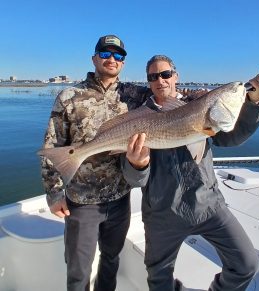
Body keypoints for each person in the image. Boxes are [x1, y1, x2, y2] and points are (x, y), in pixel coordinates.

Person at [40, 36, 200, 291]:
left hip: (119, 197)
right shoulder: (69, 95)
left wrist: (208, 99)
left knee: (111, 260)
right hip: (82, 200)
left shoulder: (135, 95)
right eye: (105, 54)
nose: (112, 59)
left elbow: (170, 94)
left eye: (118, 56)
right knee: (79, 270)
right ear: (94, 58)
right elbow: (53, 145)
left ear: (124, 63)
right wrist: (54, 193)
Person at [123, 55, 259, 291]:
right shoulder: (138, 118)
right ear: (148, 81)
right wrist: (137, 164)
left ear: (176, 76)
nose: (160, 81)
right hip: (162, 213)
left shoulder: (199, 105)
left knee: (247, 265)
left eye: (165, 74)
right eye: (153, 77)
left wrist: (253, 104)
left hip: (208, 205)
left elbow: (231, 137)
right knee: (158, 281)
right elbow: (134, 180)